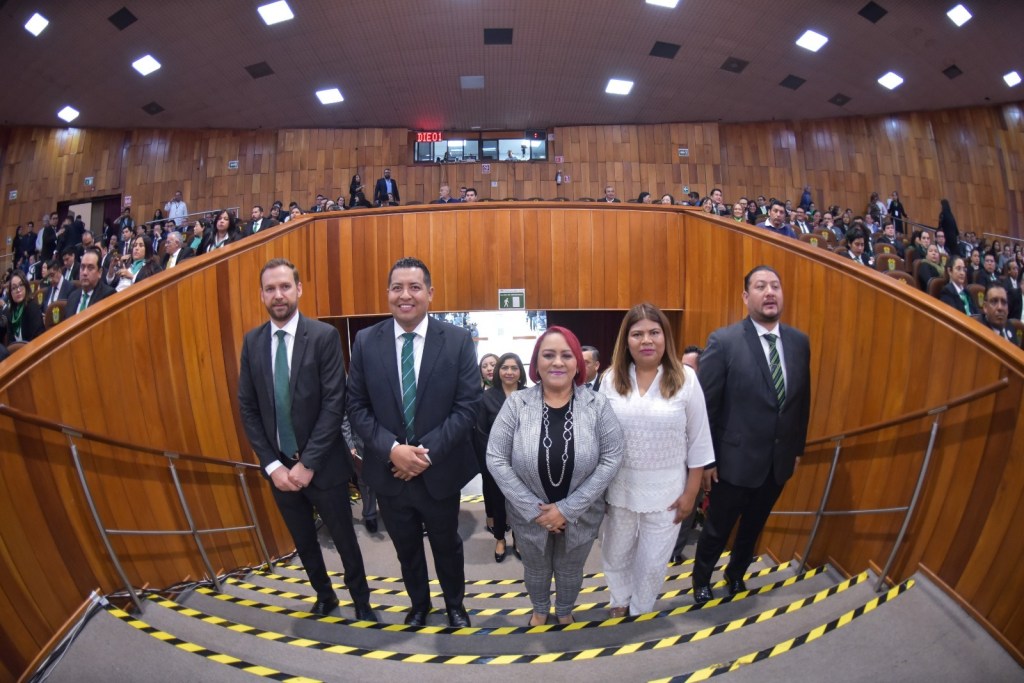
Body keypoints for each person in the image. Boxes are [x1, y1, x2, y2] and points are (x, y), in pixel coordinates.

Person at [346, 257, 480, 628]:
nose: (405, 295)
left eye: (414, 287)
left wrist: (421, 456)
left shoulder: (456, 340)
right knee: (406, 548)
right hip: (388, 473)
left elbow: (467, 406)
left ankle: (454, 605)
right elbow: (356, 406)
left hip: (439, 472)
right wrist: (393, 450)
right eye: (397, 288)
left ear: (430, 293)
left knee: (446, 545)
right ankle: (419, 604)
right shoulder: (366, 341)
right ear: (388, 293)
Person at [237, 258, 374, 620]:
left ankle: (361, 602)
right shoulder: (252, 342)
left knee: (344, 541)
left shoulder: (324, 336)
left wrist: (307, 463)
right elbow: (248, 408)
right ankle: (324, 596)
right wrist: (272, 466)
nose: (278, 295)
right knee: (304, 541)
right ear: (262, 295)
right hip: (279, 471)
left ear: (298, 289)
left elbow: (334, 404)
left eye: (285, 286)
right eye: (270, 289)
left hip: (324, 466)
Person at [487, 326, 624, 625]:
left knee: (571, 570)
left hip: (582, 514)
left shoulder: (597, 404)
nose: (557, 362)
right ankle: (539, 609)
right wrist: (534, 510)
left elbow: (612, 456)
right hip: (528, 516)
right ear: (536, 363)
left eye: (566, 355)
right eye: (548, 355)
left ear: (578, 363)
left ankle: (564, 610)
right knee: (535, 570)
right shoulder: (516, 404)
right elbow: (495, 457)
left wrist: (567, 509)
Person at [692, 265, 811, 605]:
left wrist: (796, 449)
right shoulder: (724, 341)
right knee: (717, 528)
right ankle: (701, 579)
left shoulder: (799, 342)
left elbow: (802, 401)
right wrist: (707, 461)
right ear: (746, 297)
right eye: (760, 286)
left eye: (775, 285)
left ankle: (736, 575)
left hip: (777, 463)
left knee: (753, 527)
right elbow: (706, 408)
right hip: (733, 463)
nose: (769, 292)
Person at [599, 304, 713, 617]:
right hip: (619, 488)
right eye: (637, 334)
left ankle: (640, 608)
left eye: (654, 332)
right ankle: (620, 600)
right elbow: (600, 438)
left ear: (666, 338)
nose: (646, 340)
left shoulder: (686, 378)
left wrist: (691, 494)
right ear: (626, 340)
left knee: (652, 561)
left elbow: (699, 439)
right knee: (616, 552)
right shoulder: (610, 379)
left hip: (668, 493)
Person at [474, 352, 527, 563]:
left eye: (514, 368)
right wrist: (495, 460)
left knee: (520, 503)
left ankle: (519, 538)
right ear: (498, 371)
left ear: (520, 372)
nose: (509, 372)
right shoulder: (486, 397)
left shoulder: (530, 395)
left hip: (524, 462)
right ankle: (500, 538)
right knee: (497, 501)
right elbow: (481, 432)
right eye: (505, 368)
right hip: (497, 462)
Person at [65, 248, 115, 317]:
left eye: (90, 268)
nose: (85, 273)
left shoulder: (108, 296)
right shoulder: (72, 297)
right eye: (82, 267)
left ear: (100, 272)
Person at [2, 271, 44, 345]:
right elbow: (10, 342)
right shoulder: (10, 312)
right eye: (14, 288)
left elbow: (36, 339)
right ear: (10, 293)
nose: (18, 290)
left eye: (21, 285)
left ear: (26, 286)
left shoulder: (32, 307)